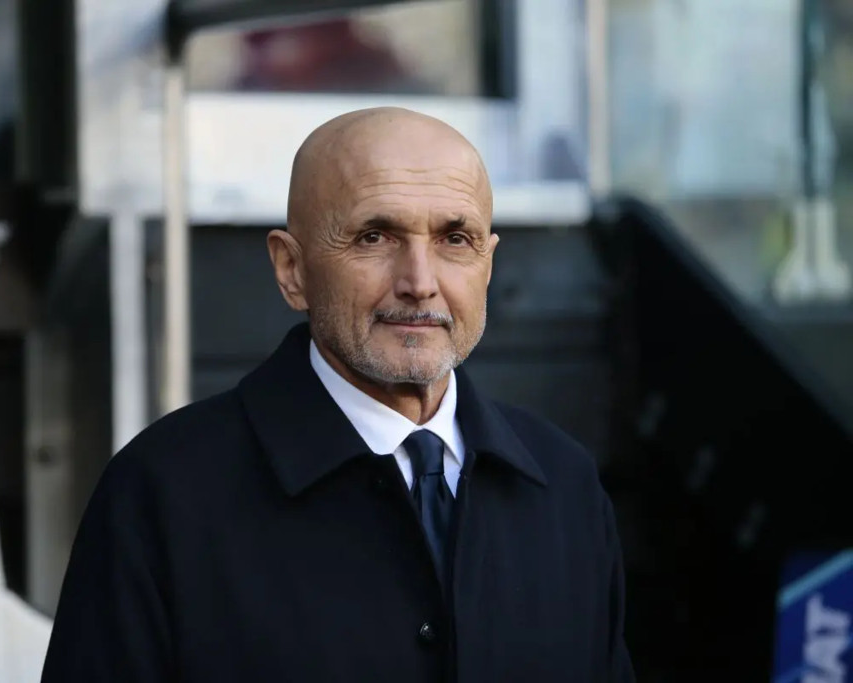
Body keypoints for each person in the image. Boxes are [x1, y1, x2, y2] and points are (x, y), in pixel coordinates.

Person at [41, 107, 635, 682]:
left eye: (455, 239)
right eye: (375, 236)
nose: (420, 283)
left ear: (489, 264)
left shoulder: (565, 487)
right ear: (291, 270)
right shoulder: (163, 492)